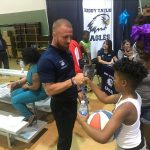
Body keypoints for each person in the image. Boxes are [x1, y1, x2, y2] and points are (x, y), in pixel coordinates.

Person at [77, 58, 148, 149]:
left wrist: (82, 122)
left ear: (124, 83)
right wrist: (90, 82)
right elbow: (105, 98)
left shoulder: (125, 107)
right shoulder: (130, 95)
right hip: (136, 141)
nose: (113, 81)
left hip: (130, 147)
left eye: (115, 78)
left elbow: (102, 137)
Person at [37, 18, 85, 150]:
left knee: (68, 134)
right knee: (64, 138)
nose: (69, 40)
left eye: (71, 36)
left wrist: (78, 90)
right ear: (54, 35)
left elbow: (69, 74)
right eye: (65, 37)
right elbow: (49, 90)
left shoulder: (66, 51)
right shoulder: (46, 59)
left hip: (71, 100)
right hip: (61, 106)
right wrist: (73, 81)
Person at [10, 47, 47, 126]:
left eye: (23, 57)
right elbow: (28, 77)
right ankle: (27, 112)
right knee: (13, 94)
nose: (22, 59)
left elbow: (35, 87)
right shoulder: (33, 64)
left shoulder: (35, 71)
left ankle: (30, 116)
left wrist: (27, 87)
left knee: (14, 100)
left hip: (39, 92)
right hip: (33, 88)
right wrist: (17, 82)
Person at [131, 15, 150, 149]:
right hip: (136, 103)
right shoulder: (135, 54)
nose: (138, 44)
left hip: (149, 106)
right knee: (137, 140)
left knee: (148, 142)